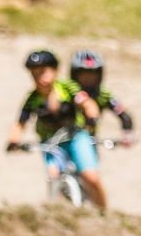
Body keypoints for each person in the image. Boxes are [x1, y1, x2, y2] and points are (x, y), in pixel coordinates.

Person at [6, 49, 107, 209]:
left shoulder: (67, 88)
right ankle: (59, 214)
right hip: (51, 143)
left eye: (43, 73)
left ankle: (104, 213)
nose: (40, 79)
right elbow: (20, 123)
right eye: (35, 74)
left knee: (91, 177)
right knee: (53, 177)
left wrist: (92, 116)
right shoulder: (33, 99)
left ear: (55, 71)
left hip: (76, 137)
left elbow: (87, 103)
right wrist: (13, 141)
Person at [70, 49, 135, 147]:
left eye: (93, 75)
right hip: (62, 140)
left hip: (89, 142)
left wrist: (127, 133)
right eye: (84, 76)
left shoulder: (103, 95)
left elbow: (123, 115)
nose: (88, 80)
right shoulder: (66, 92)